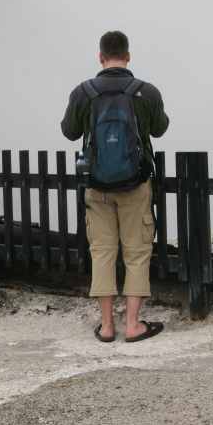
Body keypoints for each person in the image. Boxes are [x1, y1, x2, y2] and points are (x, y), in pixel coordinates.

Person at [61, 31, 169, 343]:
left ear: (100, 57)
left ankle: (107, 327)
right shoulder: (145, 92)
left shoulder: (84, 92)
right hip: (135, 185)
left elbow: (69, 132)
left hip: (97, 187)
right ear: (128, 56)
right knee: (136, 253)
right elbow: (160, 129)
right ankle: (134, 325)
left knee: (103, 253)